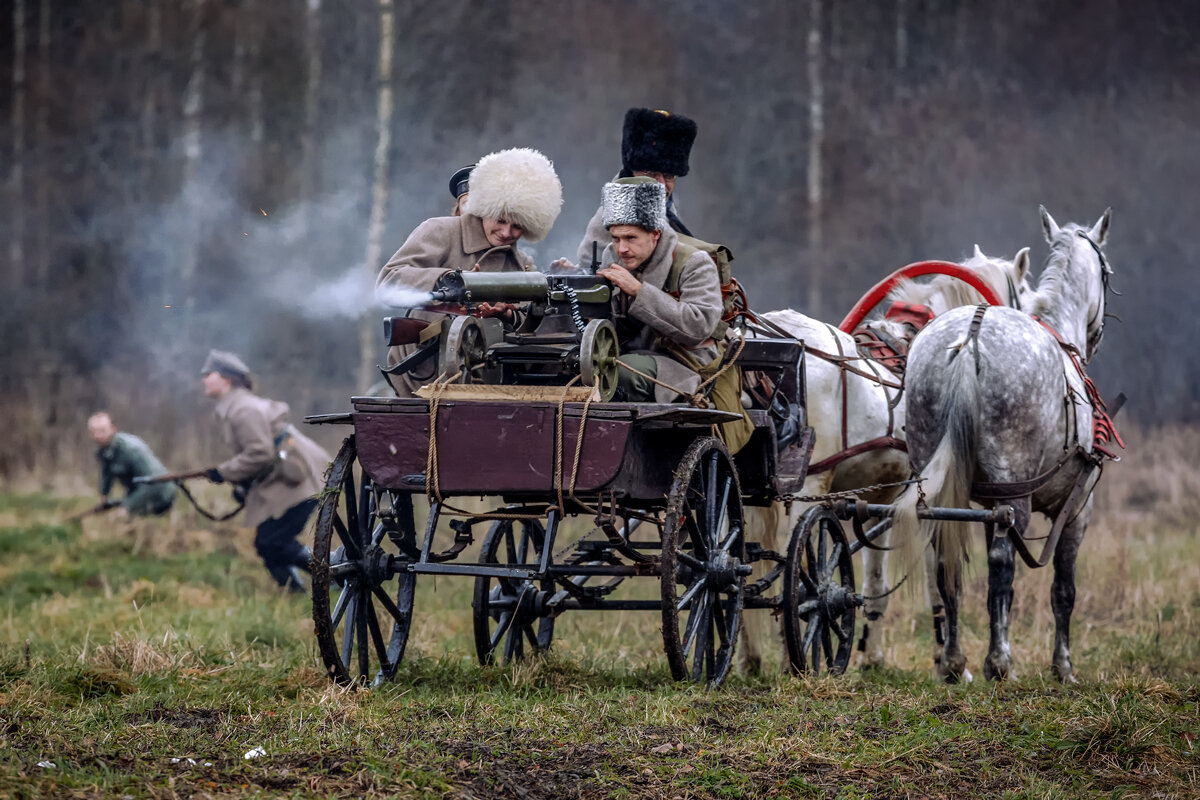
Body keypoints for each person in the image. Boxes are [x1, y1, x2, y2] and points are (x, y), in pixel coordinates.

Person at [376, 147, 563, 396]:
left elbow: (530, 332)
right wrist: (445, 281)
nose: (507, 233)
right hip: (421, 378)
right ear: (484, 207)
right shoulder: (440, 232)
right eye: (500, 220)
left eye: (517, 226)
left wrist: (509, 317)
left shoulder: (523, 265)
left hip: (487, 388)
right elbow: (388, 282)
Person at [200, 350, 331, 593]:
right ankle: (296, 590)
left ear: (227, 379)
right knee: (268, 543)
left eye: (210, 374)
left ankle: (333, 573)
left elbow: (259, 454)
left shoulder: (243, 409)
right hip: (288, 477)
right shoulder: (236, 406)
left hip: (300, 478)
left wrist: (224, 472)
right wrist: (242, 486)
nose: (204, 378)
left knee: (272, 541)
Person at [596, 177, 723, 403]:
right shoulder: (611, 256)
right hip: (629, 354)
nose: (622, 248)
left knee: (621, 374)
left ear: (655, 233)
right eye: (615, 238)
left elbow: (699, 326)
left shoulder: (694, 263)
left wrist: (639, 291)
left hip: (684, 363)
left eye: (631, 238)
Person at [573, 107, 698, 268]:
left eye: (668, 176)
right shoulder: (616, 208)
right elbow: (589, 263)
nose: (660, 184)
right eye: (652, 174)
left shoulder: (665, 205)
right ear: (632, 171)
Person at [87, 411, 176, 517]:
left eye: (102, 431)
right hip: (136, 491)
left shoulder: (131, 450)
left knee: (121, 519)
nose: (99, 435)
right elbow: (106, 475)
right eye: (95, 432)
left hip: (160, 493)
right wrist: (103, 496)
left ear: (112, 429)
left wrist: (128, 507)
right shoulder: (102, 452)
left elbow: (151, 482)